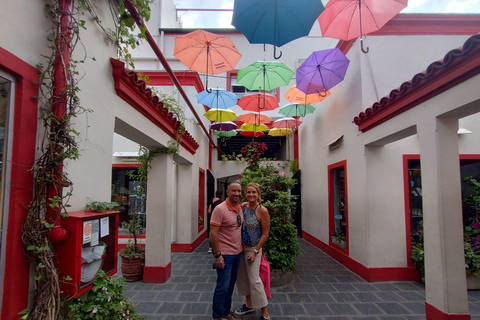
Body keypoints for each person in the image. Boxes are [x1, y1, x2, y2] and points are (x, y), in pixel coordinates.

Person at [235, 183, 271, 320]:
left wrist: (256, 251)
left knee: (255, 280)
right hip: (240, 248)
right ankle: (249, 305)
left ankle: (265, 312)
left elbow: (265, 234)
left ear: (258, 194)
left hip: (253, 249)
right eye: (248, 192)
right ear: (245, 193)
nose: (251, 195)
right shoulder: (243, 206)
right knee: (243, 279)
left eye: (253, 192)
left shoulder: (262, 210)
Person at [210, 181, 243, 320]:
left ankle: (226, 311)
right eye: (234, 191)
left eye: (239, 191)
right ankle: (217, 315)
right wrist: (217, 255)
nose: (237, 193)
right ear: (228, 192)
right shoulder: (220, 209)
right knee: (222, 286)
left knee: (230, 285)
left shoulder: (240, 207)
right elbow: (213, 233)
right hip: (225, 254)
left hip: (237, 253)